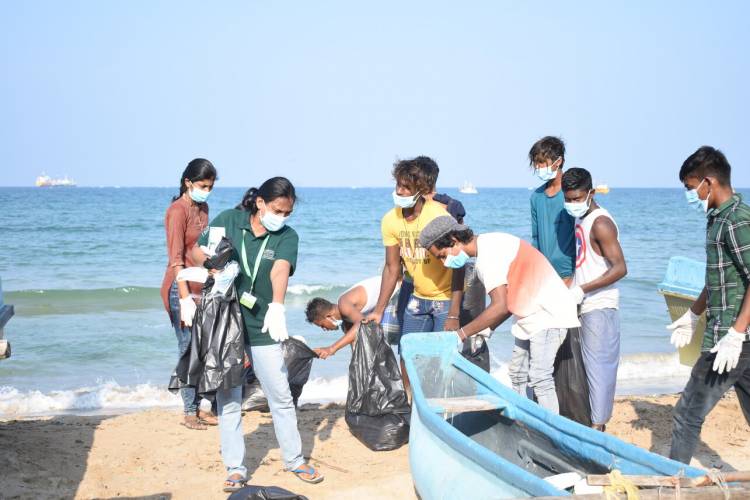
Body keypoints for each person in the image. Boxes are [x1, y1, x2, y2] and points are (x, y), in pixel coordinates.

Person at [192, 177, 323, 491]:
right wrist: (213, 265)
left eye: (287, 213)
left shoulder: (287, 236)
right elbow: (197, 251)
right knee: (229, 397)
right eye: (278, 210)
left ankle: (295, 460)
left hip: (262, 323)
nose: (282, 217)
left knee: (280, 394)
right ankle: (235, 468)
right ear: (260, 203)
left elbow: (279, 268)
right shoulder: (230, 221)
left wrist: (277, 305)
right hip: (227, 321)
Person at [418, 216, 580, 414]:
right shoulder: (488, 243)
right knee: (518, 373)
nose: (444, 263)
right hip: (529, 313)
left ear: (453, 240)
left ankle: (553, 435)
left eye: (442, 255)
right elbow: (509, 301)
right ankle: (524, 420)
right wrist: (487, 329)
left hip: (548, 313)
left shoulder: (488, 258)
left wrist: (460, 334)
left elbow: (500, 306)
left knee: (539, 377)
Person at [666, 146, 750, 464]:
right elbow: (719, 276)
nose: (690, 196)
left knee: (686, 415)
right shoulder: (718, 219)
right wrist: (692, 313)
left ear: (709, 182)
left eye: (691, 188)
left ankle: (673, 484)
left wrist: (736, 333)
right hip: (739, 339)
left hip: (730, 340)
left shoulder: (736, 221)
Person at [365, 157, 465, 391]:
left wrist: (453, 313)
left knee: (442, 361)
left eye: (406, 187)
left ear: (420, 189)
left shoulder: (439, 217)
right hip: (417, 299)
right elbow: (392, 268)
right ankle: (412, 406)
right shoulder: (390, 220)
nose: (399, 191)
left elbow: (459, 264)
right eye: (398, 185)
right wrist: (378, 310)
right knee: (408, 355)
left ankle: (440, 411)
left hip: (444, 299)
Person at [562, 168, 627, 431]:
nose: (573, 204)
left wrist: (582, 289)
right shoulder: (582, 219)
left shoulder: (601, 222)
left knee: (599, 374)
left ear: (591, 193)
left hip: (600, 307)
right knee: (585, 374)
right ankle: (591, 427)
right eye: (569, 199)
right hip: (584, 305)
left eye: (578, 198)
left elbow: (620, 268)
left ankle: (598, 432)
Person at [161, 158, 219, 430]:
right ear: (188, 182)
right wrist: (184, 298)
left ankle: (199, 406)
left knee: (204, 349)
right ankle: (188, 411)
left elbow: (202, 247)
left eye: (210, 187)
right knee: (187, 349)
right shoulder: (177, 211)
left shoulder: (203, 208)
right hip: (179, 286)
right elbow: (175, 259)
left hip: (201, 284)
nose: (206, 191)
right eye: (202, 185)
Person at [305, 276, 400, 358]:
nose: (324, 329)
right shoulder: (346, 323)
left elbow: (362, 325)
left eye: (322, 325)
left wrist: (331, 349)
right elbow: (356, 349)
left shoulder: (343, 303)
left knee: (376, 338)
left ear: (329, 316)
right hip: (385, 304)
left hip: (396, 291)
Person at [529, 136, 576, 283]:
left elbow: (583, 237)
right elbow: (536, 238)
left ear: (558, 161)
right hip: (544, 274)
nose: (538, 167)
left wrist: (574, 275)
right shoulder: (536, 197)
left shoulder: (572, 195)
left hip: (569, 273)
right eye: (536, 163)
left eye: (542, 162)